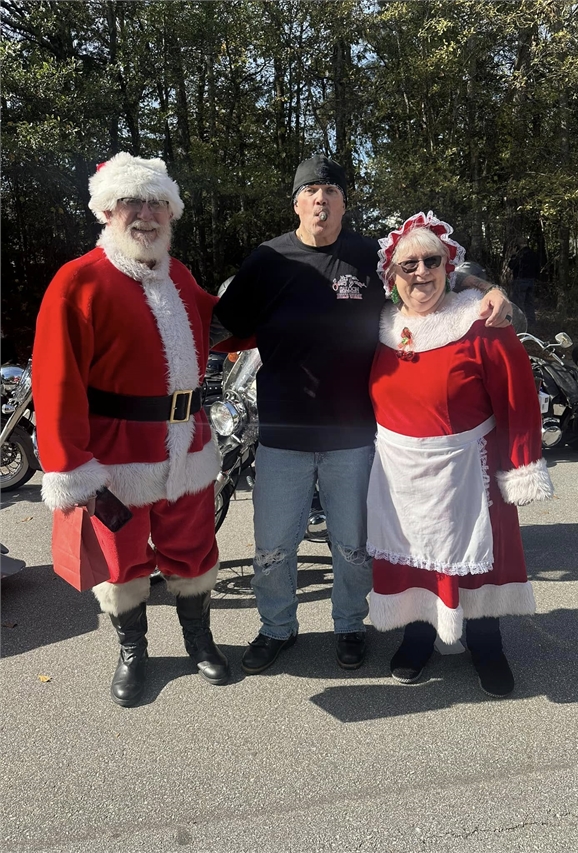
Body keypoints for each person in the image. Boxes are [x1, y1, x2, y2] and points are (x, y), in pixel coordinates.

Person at [211, 155, 513, 675]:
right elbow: (217, 321)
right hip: (282, 433)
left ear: (344, 203)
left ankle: (349, 624)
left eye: (331, 191)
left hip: (353, 435)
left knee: (352, 546)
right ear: (296, 203)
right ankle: (277, 627)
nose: (320, 200)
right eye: (310, 191)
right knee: (273, 547)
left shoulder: (369, 256)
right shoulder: (267, 259)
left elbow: (432, 267)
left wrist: (490, 289)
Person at [32, 153, 233, 707]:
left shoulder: (179, 274)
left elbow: (217, 320)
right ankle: (133, 651)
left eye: (157, 203)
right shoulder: (78, 281)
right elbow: (55, 381)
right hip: (116, 457)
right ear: (106, 210)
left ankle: (199, 640)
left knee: (194, 549)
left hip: (188, 446)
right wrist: (69, 466)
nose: (146, 214)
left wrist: (280, 299)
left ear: (171, 212)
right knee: (121, 562)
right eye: (131, 202)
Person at [367, 212, 554, 697]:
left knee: (479, 559)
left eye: (432, 261)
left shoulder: (481, 323)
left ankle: (487, 644)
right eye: (408, 265)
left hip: (470, 467)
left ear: (448, 266)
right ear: (391, 275)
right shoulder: (380, 324)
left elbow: (518, 397)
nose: (421, 273)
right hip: (399, 473)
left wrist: (521, 464)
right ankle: (417, 635)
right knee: (412, 555)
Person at [508, 237, 539, 329]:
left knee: (518, 303)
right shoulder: (533, 253)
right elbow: (537, 267)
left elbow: (512, 266)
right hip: (531, 280)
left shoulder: (519, 255)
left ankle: (520, 323)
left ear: (519, 244)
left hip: (520, 280)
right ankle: (531, 322)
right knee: (529, 302)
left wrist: (513, 255)